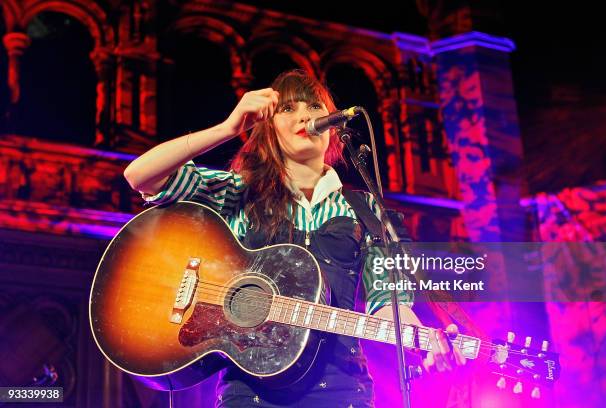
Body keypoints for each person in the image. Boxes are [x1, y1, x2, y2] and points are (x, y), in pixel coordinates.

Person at [123, 70, 465, 407]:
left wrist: (419, 339)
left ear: (332, 127)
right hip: (251, 390)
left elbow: (390, 304)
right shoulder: (239, 191)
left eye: (315, 107)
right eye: (288, 109)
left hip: (343, 390)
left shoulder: (365, 208)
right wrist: (229, 128)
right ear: (268, 128)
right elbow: (140, 175)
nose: (304, 115)